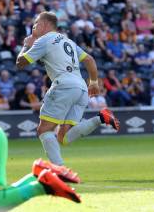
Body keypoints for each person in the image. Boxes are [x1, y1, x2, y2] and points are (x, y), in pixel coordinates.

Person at [16, 12, 120, 166]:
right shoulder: (68, 41)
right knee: (63, 137)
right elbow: (90, 59)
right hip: (81, 88)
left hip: (64, 85)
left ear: (44, 24)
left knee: (44, 130)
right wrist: (93, 82)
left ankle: (60, 170)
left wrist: (26, 44)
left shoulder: (43, 40)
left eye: (35, 24)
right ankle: (101, 118)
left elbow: (20, 63)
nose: (33, 28)